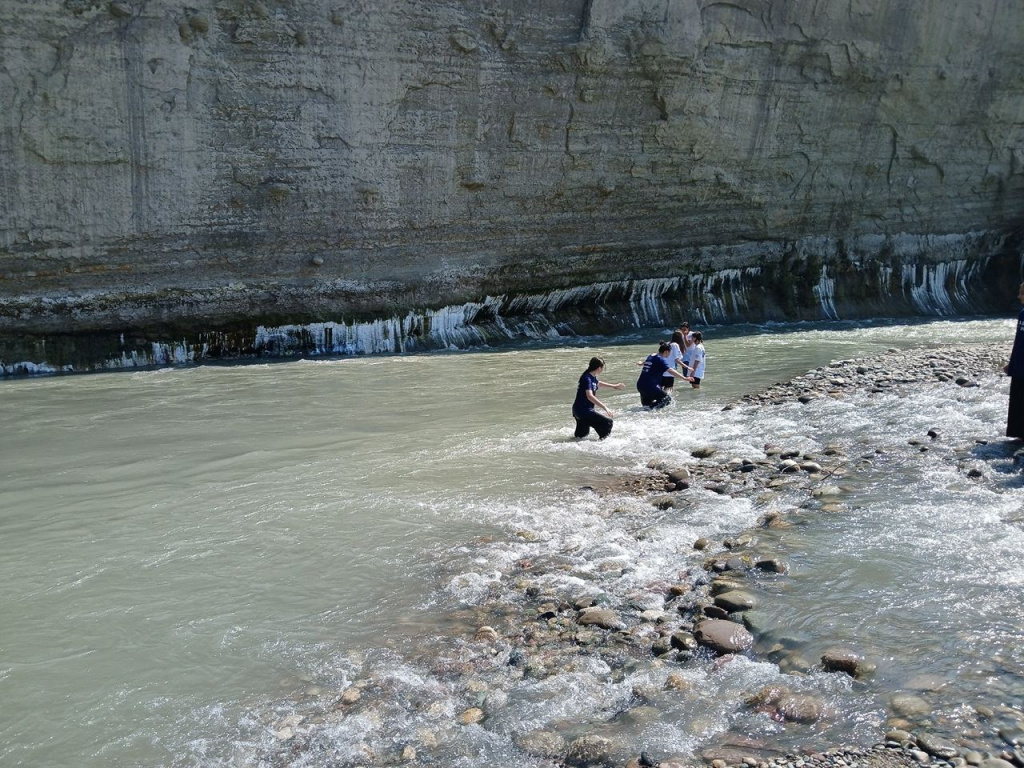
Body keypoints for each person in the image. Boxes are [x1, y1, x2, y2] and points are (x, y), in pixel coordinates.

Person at [572, 356, 625, 439]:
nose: (602, 369)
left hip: (578, 411)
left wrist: (614, 386)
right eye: (602, 367)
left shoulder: (591, 377)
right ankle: (603, 445)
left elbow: (598, 383)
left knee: (581, 436)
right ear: (599, 368)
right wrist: (605, 407)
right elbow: (589, 396)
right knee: (607, 423)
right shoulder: (587, 378)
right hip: (584, 411)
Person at [636, 342, 689, 408]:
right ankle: (652, 410)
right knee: (667, 399)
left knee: (646, 407)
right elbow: (670, 370)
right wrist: (684, 378)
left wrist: (641, 363)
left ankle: (647, 412)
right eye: (670, 352)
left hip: (640, 386)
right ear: (666, 351)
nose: (669, 354)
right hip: (650, 386)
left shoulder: (651, 355)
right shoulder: (661, 359)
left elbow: (647, 362)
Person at [1005, 282, 1024, 439]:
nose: (1018, 296)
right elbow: (1018, 341)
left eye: (1022, 293)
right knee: (1017, 400)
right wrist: (1011, 364)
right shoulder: (1022, 313)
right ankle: (1018, 433)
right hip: (1019, 366)